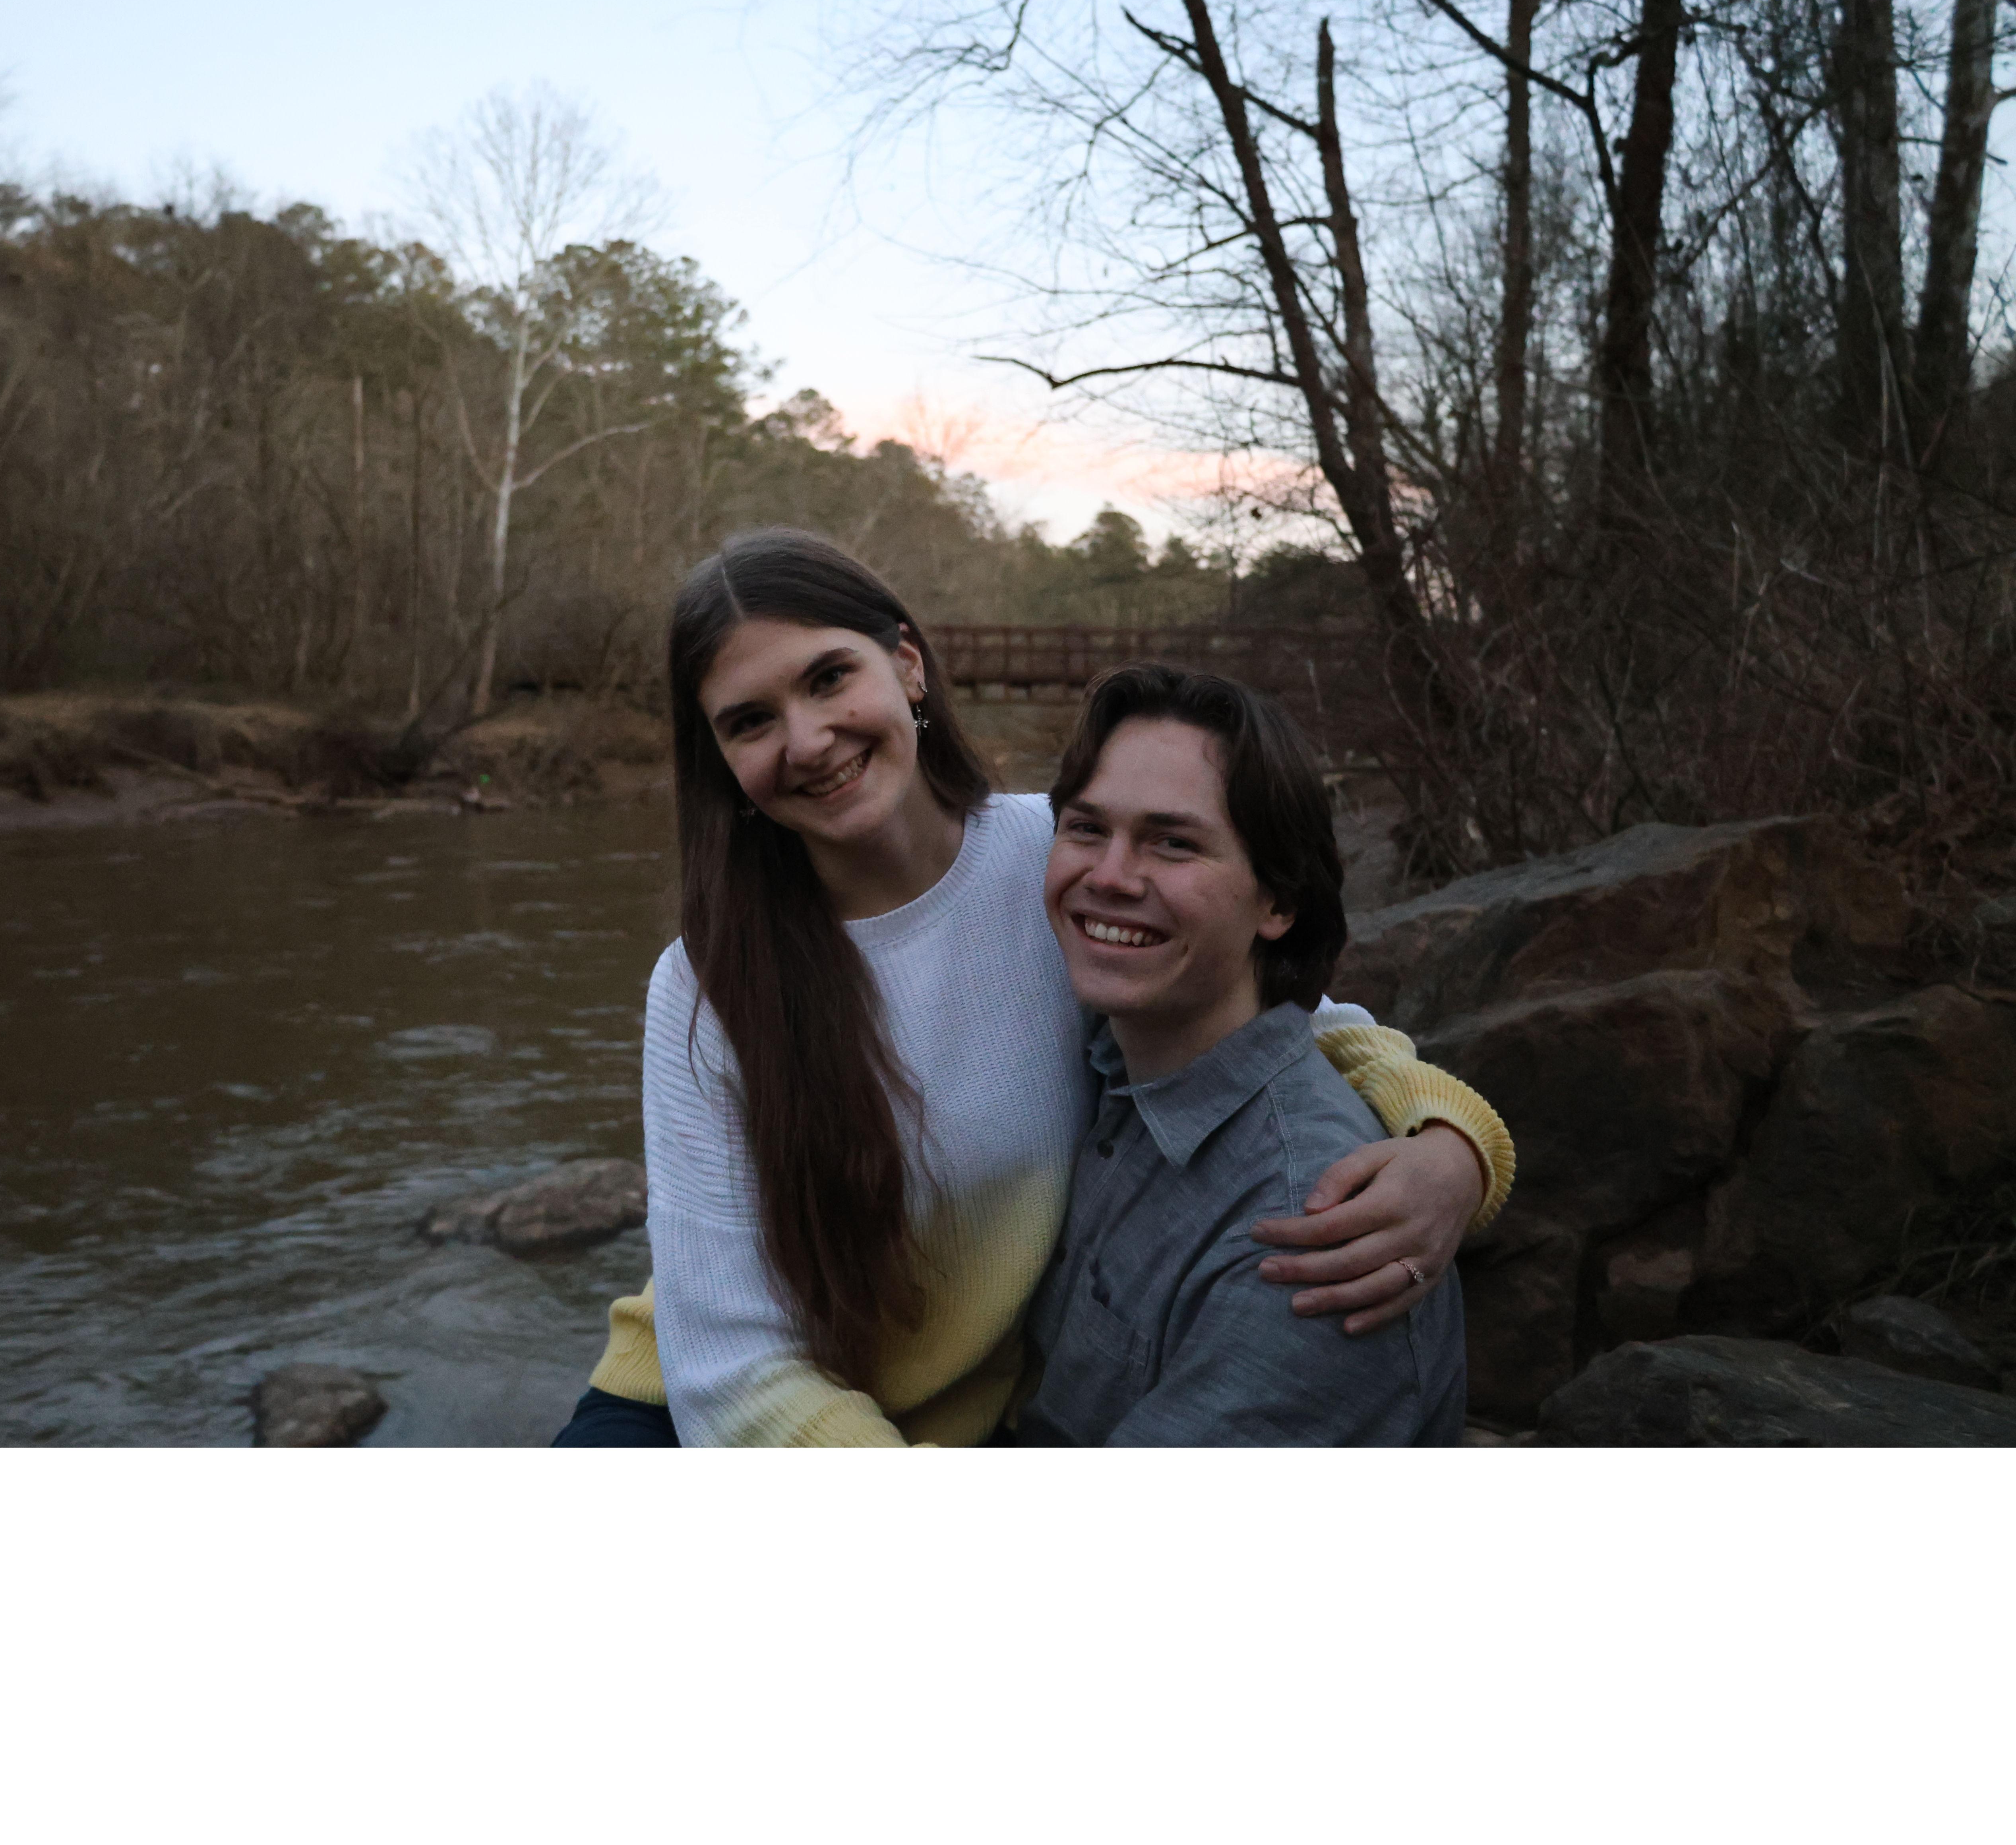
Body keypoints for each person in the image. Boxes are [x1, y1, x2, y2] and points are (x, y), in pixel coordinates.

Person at [553, 529, 1512, 1448]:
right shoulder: (705, 981)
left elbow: (1270, 1015)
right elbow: (728, 1365)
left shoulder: (1057, 862)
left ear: (908, 666)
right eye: (751, 721)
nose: (806, 740)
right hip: (713, 1410)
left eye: (828, 677)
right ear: (721, 760)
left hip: (952, 1420)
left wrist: (1453, 1145)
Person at [1015, 662, 1467, 1446]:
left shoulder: (1315, 1231)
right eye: (1087, 829)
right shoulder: (1110, 1058)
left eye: (1173, 844)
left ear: (1279, 901)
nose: (1110, 877)